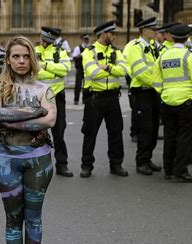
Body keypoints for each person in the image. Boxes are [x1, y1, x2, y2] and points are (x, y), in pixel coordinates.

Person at [0, 36, 57, 244]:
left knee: (34, 217)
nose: (21, 61)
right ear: (8, 59)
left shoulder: (44, 89)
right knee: (13, 219)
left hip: (38, 161)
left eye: (26, 56)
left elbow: (50, 120)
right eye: (16, 56)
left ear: (32, 59)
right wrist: (33, 114)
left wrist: (13, 119)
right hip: (7, 161)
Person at [152, 24, 192, 183]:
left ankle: (168, 170)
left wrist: (164, 94)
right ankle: (180, 171)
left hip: (167, 101)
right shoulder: (190, 56)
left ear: (172, 37)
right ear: (187, 37)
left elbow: (156, 82)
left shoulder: (163, 56)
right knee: (184, 137)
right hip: (186, 103)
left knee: (170, 135)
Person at [80, 21, 129, 178]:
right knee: (90, 133)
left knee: (116, 132)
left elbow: (123, 71)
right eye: (112, 33)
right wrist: (111, 70)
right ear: (103, 34)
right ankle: (87, 166)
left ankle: (116, 165)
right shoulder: (89, 51)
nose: (115, 37)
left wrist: (107, 67)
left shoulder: (117, 51)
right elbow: (92, 73)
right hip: (95, 98)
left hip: (113, 98)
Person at [125, 17, 162, 176]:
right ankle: (141, 162)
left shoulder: (154, 46)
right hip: (142, 92)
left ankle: (148, 159)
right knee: (145, 128)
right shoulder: (135, 47)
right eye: (152, 29)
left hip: (154, 92)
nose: (155, 31)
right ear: (144, 30)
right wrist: (159, 85)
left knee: (154, 128)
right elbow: (140, 72)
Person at [36, 26, 73, 177]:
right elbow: (33, 72)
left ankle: (61, 164)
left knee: (59, 132)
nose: (45, 42)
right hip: (39, 96)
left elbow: (65, 70)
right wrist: (53, 69)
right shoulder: (33, 51)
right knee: (38, 132)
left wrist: (45, 66)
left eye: (48, 41)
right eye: (44, 39)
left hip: (57, 96)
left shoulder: (61, 52)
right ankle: (39, 166)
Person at [72, 34, 90, 105]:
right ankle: (76, 99)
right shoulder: (78, 48)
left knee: (86, 85)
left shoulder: (90, 48)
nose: (86, 40)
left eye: (87, 39)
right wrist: (81, 55)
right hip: (80, 68)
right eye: (85, 39)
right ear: (82, 39)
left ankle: (84, 99)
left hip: (87, 69)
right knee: (78, 85)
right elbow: (74, 57)